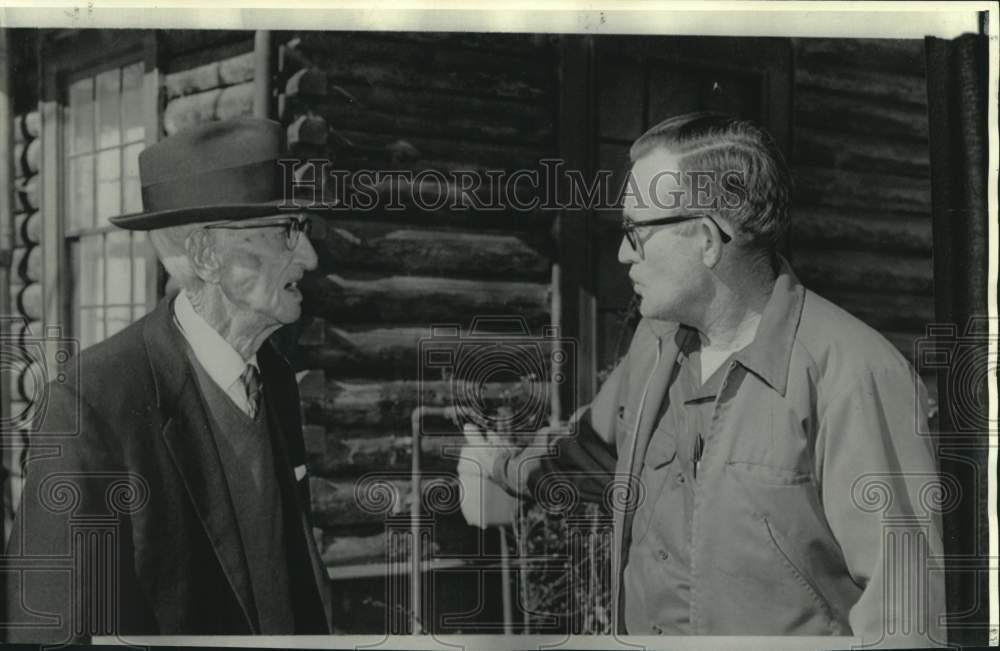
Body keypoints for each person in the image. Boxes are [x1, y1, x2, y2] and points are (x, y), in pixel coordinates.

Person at [460, 112, 947, 645]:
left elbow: (906, 613)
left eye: (636, 232)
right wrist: (502, 465)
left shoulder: (856, 375)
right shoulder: (654, 347)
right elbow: (592, 454)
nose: (623, 253)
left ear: (708, 239)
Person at [4, 118, 332, 640]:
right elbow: (45, 628)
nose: (309, 257)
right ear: (206, 256)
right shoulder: (94, 400)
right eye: (285, 232)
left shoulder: (276, 378)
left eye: (304, 229)